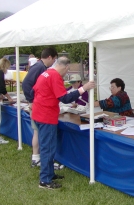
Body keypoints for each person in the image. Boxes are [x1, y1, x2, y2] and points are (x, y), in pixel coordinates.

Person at [32, 56, 95, 189]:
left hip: (39, 113)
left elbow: (34, 91)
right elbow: (65, 98)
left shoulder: (45, 73)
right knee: (47, 148)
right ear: (66, 67)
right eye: (67, 71)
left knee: (48, 146)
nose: (66, 73)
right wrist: (84, 89)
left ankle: (49, 173)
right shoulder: (54, 76)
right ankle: (45, 180)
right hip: (46, 116)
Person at [22, 48, 62, 169]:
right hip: (39, 108)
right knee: (39, 133)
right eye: (54, 59)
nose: (54, 62)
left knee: (38, 132)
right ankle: (38, 159)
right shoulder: (39, 67)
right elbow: (26, 84)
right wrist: (32, 100)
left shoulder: (40, 67)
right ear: (49, 57)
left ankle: (38, 158)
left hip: (39, 105)